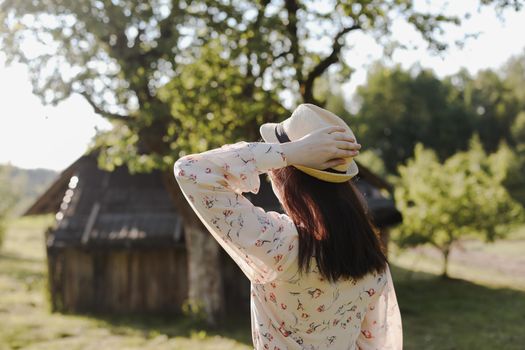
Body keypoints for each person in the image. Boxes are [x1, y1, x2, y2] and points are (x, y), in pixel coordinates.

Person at [173, 103, 403, 350]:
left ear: (286, 178)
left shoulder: (280, 243)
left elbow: (190, 170)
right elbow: (374, 344)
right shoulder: (368, 255)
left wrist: (289, 152)